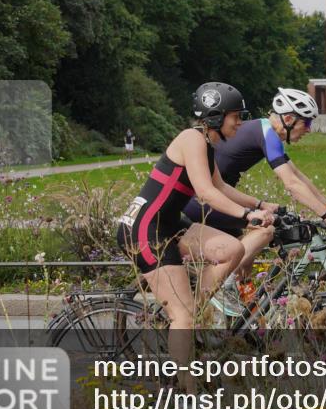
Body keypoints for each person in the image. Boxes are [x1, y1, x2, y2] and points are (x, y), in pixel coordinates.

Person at [116, 82, 274, 392]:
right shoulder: (191, 139)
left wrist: (260, 205)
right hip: (145, 230)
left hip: (170, 224)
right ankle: (187, 391)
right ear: (215, 117)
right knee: (182, 315)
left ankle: (196, 306)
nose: (240, 123)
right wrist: (245, 216)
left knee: (231, 249)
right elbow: (205, 193)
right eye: (235, 117)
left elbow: (222, 187)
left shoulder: (207, 143)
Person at [183, 87, 326, 288]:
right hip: (200, 200)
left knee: (248, 255)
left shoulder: (265, 131)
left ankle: (237, 304)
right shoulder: (267, 133)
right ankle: (209, 288)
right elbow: (291, 184)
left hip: (216, 198)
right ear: (289, 120)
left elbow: (298, 176)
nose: (309, 129)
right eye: (307, 122)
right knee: (267, 230)